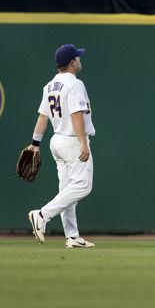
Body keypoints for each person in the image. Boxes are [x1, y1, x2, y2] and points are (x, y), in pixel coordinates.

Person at [26, 44, 96, 248]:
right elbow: (76, 115)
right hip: (73, 140)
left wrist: (34, 144)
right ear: (72, 63)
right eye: (77, 58)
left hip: (56, 141)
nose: (80, 60)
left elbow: (42, 117)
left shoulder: (49, 86)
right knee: (83, 186)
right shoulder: (75, 84)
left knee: (67, 190)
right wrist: (83, 142)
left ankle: (72, 236)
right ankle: (42, 215)